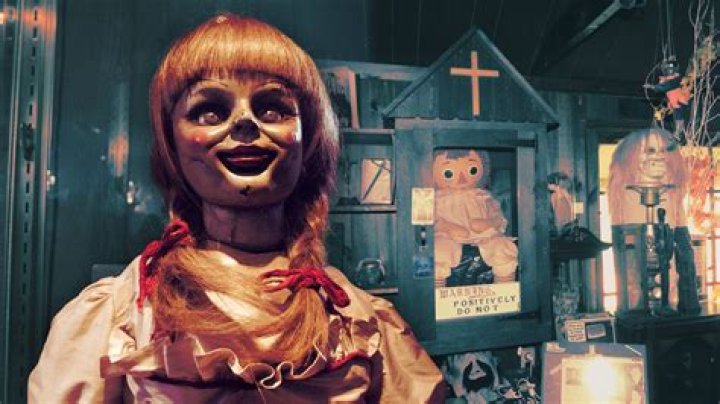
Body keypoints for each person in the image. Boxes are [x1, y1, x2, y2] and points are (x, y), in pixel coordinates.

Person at [29, 14, 444, 402]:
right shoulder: (125, 311)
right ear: (172, 143)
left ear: (309, 138)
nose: (245, 123)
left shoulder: (355, 318)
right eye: (210, 111)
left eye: (272, 109)